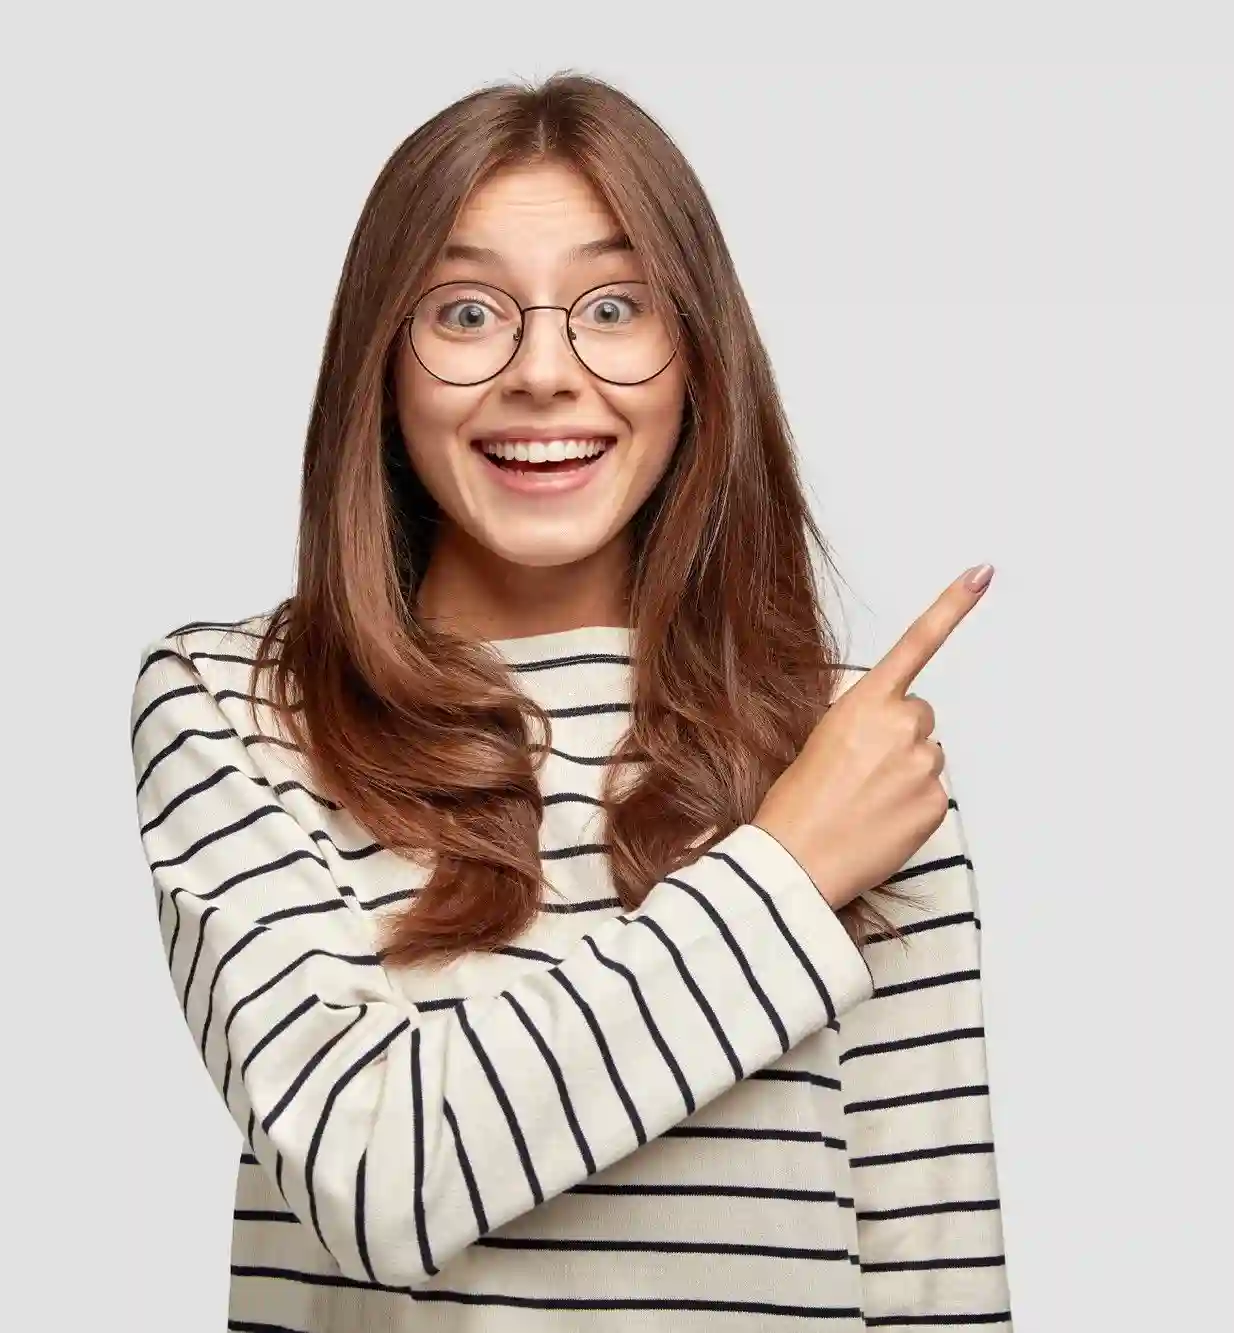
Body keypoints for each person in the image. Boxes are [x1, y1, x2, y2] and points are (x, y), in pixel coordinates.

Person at [126, 72, 1013, 1330]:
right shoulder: (238, 709)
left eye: (612, 306)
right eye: (469, 311)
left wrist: (810, 826)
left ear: (698, 359)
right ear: (380, 363)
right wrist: (783, 871)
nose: (545, 373)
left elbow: (935, 1274)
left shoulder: (846, 751)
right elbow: (373, 1179)